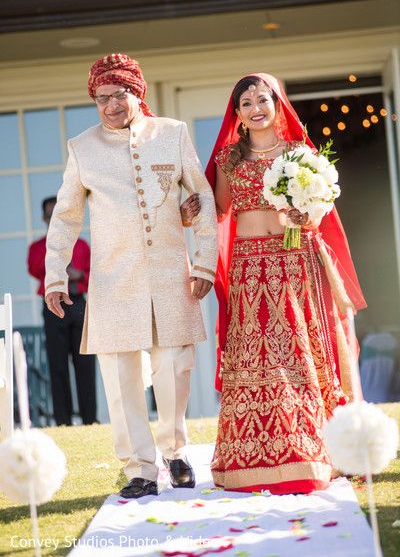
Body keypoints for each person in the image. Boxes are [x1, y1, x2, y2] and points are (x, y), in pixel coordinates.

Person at [44, 53, 217, 498]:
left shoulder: (173, 134)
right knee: (120, 377)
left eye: (119, 94)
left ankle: (175, 453)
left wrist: (204, 263)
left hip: (170, 274)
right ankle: (140, 469)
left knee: (175, 366)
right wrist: (55, 277)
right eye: (101, 98)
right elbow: (65, 218)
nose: (110, 106)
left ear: (137, 93)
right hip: (113, 278)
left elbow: (201, 197)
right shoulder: (82, 147)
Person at [205, 73, 366, 494]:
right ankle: (249, 461)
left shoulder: (300, 153)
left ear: (278, 104)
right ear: (237, 114)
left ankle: (310, 454)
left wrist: (302, 218)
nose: (255, 108)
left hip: (295, 264)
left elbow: (317, 213)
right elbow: (219, 210)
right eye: (246, 103)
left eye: (262, 99)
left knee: (298, 354)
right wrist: (190, 207)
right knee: (255, 357)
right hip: (248, 268)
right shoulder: (227, 159)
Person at [28, 196, 97, 426]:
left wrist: (78, 275)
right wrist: (57, 263)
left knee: (85, 363)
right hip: (52, 305)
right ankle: (63, 421)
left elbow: (93, 274)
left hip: (77, 304)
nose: (54, 218)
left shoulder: (82, 245)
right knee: (57, 365)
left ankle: (90, 419)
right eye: (50, 215)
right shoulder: (38, 247)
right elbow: (35, 268)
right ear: (45, 219)